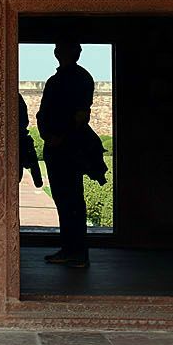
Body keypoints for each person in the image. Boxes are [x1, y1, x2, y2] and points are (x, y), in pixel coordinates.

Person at [34, 42, 105, 269]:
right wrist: (49, 136)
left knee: (71, 200)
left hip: (67, 147)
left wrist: (59, 137)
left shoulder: (76, 79)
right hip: (58, 145)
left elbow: (80, 115)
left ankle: (76, 251)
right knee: (66, 200)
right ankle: (71, 249)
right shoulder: (64, 79)